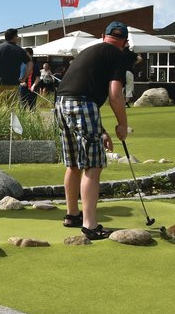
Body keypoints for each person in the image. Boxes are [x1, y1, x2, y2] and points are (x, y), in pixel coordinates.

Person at [54, 21, 131, 240]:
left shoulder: (88, 50)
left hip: (61, 104)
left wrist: (102, 130)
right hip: (81, 105)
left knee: (74, 163)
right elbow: (115, 95)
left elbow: (82, 88)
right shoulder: (118, 55)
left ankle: (72, 214)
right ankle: (90, 225)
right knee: (92, 165)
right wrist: (122, 125)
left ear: (103, 35)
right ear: (124, 42)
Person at [0, 28, 31, 99]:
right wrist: (24, 78)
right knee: (11, 108)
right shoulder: (20, 50)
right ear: (14, 37)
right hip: (14, 84)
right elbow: (30, 64)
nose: (17, 38)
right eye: (17, 36)